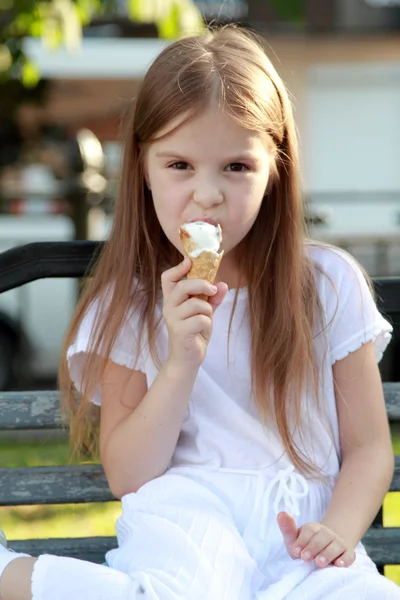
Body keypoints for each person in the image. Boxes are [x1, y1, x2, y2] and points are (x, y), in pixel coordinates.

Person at [0, 24, 399, 600]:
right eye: (180, 165)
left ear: (275, 169)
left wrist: (338, 530)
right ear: (142, 168)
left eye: (236, 167)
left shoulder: (327, 285)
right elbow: (129, 475)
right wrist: (181, 361)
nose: (207, 194)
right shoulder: (130, 303)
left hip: (303, 531)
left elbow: (367, 446)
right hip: (188, 518)